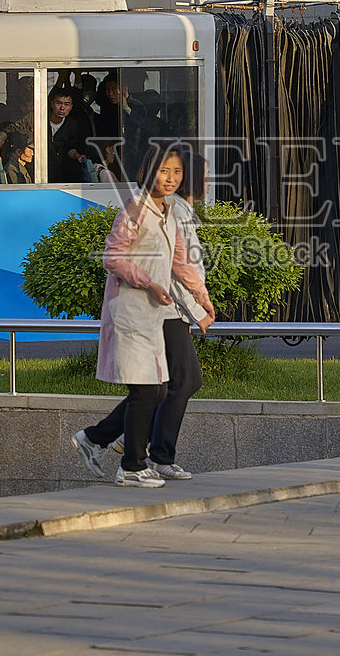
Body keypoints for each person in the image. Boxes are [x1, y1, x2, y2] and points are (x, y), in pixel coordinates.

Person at [71, 143, 213, 488]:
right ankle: (133, 465)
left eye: (177, 172)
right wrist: (148, 283)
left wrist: (202, 298)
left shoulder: (165, 211)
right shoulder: (135, 209)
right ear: (149, 171)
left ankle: (113, 448)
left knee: (158, 389)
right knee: (149, 390)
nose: (171, 178)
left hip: (153, 311)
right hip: (131, 309)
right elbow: (112, 257)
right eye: (164, 171)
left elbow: (181, 261)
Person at [48, 87, 94, 182]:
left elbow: (70, 147)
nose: (62, 108)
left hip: (60, 174)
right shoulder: (38, 120)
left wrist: (77, 156)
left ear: (71, 107)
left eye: (66, 104)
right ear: (52, 104)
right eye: (58, 103)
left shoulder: (72, 124)